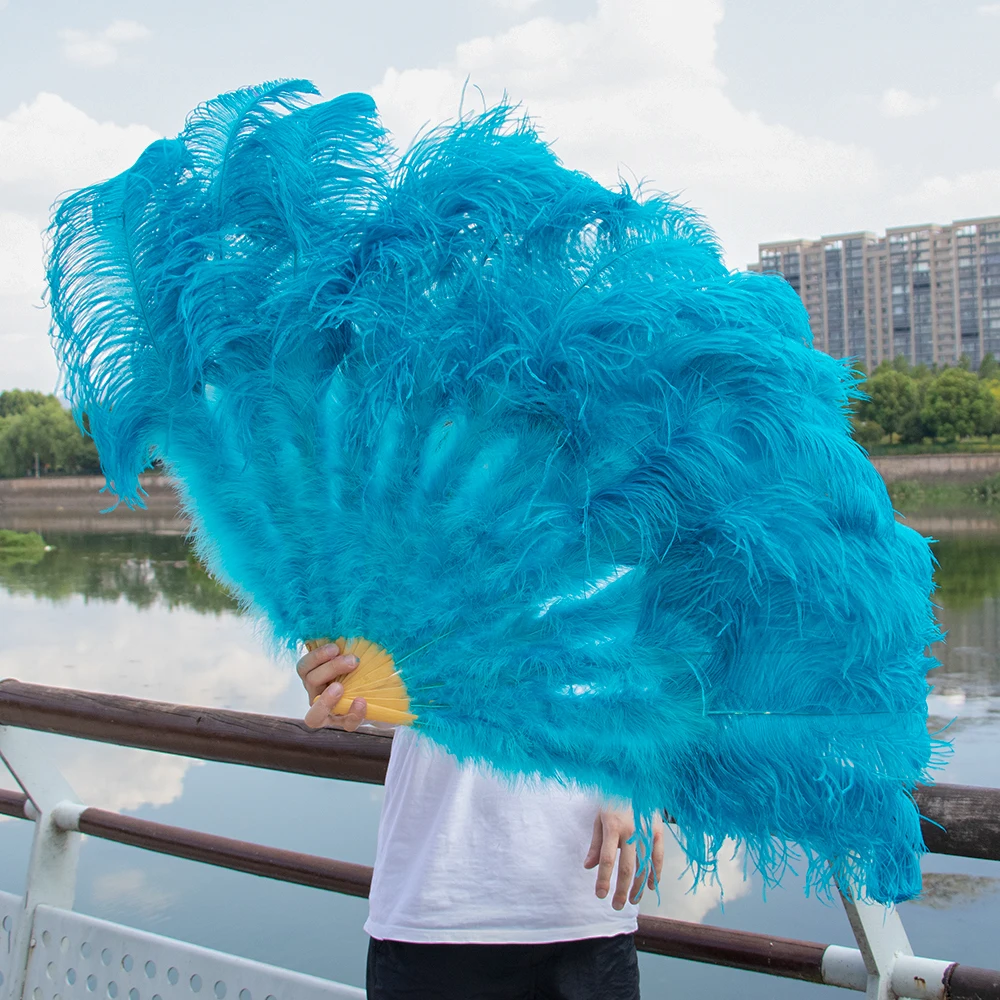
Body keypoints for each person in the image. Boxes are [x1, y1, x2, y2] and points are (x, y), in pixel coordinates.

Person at [297, 642, 665, 1000]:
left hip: (586, 916)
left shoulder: (637, 581)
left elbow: (672, 689)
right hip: (436, 912)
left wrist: (637, 778)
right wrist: (336, 689)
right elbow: (385, 687)